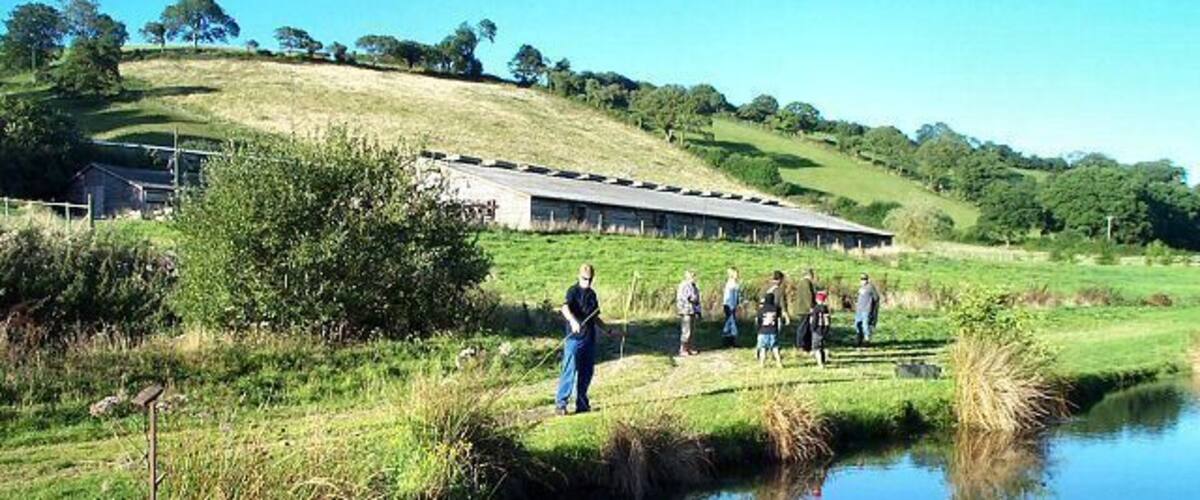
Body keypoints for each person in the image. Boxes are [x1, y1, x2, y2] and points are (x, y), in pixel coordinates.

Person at [555, 263, 614, 416]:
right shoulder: (572, 291)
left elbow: (595, 317)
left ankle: (582, 404)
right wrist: (573, 321)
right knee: (569, 370)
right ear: (579, 276)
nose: (587, 282)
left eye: (590, 279)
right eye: (584, 279)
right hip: (574, 339)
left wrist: (606, 329)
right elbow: (565, 308)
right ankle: (561, 404)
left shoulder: (592, 295)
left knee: (586, 372)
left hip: (589, 339)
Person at [676, 270, 702, 356]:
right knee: (686, 330)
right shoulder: (683, 285)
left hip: (693, 310)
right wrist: (693, 299)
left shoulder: (694, 286)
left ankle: (690, 348)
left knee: (692, 331)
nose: (694, 278)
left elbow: (697, 299)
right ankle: (683, 348)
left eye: (694, 276)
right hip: (685, 310)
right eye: (692, 276)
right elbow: (687, 297)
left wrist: (698, 311)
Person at [756, 292, 784, 368]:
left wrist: (758, 330)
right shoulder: (776, 309)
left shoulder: (761, 309)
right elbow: (779, 321)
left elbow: (758, 321)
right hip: (773, 331)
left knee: (763, 348)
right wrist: (779, 330)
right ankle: (779, 363)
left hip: (763, 331)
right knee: (775, 348)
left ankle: (762, 364)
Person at [854, 273, 881, 346]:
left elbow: (876, 298)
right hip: (859, 310)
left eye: (864, 279)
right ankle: (859, 338)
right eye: (862, 279)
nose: (863, 281)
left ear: (867, 280)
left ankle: (867, 339)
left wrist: (873, 307)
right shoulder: (860, 288)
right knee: (857, 324)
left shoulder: (870, 287)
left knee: (865, 325)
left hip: (866, 310)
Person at [794, 268, 817, 351]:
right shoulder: (806, 283)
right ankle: (801, 345)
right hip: (805, 309)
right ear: (810, 275)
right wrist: (811, 307)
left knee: (804, 327)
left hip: (801, 308)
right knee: (804, 327)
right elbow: (808, 296)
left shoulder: (801, 283)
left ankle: (804, 345)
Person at [810, 290, 832, 367]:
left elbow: (814, 320)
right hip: (825, 330)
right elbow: (828, 320)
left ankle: (820, 363)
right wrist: (827, 329)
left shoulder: (816, 309)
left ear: (817, 299)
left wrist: (812, 328)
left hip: (817, 330)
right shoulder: (826, 309)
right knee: (823, 347)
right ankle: (825, 359)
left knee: (816, 348)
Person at [721, 267, 741, 348]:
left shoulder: (735, 283)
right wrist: (730, 306)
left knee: (731, 322)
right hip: (729, 305)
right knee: (730, 322)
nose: (737, 275)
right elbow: (729, 296)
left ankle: (730, 341)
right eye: (736, 273)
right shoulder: (730, 283)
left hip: (732, 305)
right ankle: (728, 340)